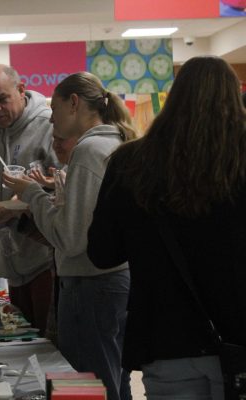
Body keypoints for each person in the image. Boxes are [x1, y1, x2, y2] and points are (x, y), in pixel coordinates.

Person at [87, 56, 246, 400]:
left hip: (164, 338)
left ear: (173, 99)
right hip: (239, 338)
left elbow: (102, 252)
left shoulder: (131, 164)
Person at [3, 71, 136, 400]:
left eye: (55, 110)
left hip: (91, 286)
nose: (52, 122)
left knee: (93, 386)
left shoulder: (90, 150)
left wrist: (33, 195)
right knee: (114, 380)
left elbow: (70, 238)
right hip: (110, 283)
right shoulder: (113, 142)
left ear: (74, 104)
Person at [0, 64, 59, 336]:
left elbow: (64, 190)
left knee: (48, 349)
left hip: (44, 261)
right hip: (12, 265)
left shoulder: (48, 126)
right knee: (24, 345)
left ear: (21, 90)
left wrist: (14, 207)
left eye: (2, 99)